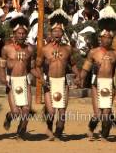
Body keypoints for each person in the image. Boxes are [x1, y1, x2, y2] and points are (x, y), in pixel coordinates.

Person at [79, 6, 116, 141]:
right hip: (97, 84)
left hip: (110, 85)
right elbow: (85, 69)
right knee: (97, 114)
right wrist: (79, 79)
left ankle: (104, 134)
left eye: (109, 38)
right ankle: (91, 129)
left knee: (106, 113)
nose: (107, 40)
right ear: (100, 38)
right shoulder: (93, 52)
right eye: (104, 37)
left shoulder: (115, 54)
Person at [35, 9, 78, 141]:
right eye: (55, 31)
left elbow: (74, 65)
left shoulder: (68, 49)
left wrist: (78, 76)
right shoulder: (45, 49)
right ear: (51, 33)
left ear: (63, 33)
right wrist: (42, 79)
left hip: (63, 82)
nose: (57, 33)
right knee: (52, 111)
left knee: (62, 113)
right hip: (49, 82)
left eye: (60, 31)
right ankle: (49, 128)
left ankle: (58, 133)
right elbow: (37, 66)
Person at [0, 13, 37, 140]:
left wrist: (40, 77)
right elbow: (0, 68)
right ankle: (9, 117)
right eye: (19, 33)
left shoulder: (30, 49)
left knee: (26, 111)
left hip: (25, 81)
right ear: (14, 34)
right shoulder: (6, 49)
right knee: (16, 113)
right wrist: (4, 80)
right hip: (12, 82)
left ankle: (21, 133)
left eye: (23, 33)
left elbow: (31, 68)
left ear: (26, 34)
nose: (21, 36)